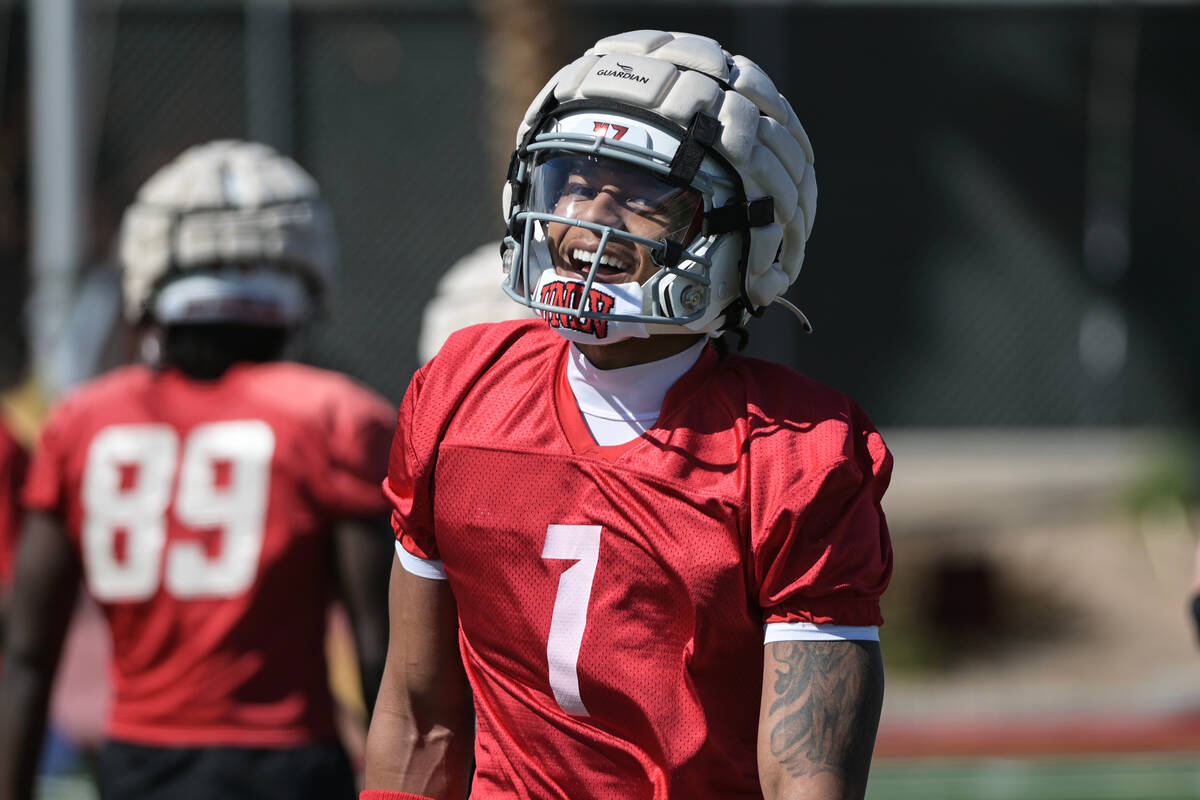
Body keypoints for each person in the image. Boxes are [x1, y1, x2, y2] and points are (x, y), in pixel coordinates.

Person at [363, 29, 893, 800]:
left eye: (642, 193)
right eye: (574, 179)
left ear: (744, 232)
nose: (587, 222)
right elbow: (418, 720)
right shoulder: (459, 389)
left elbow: (807, 775)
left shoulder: (795, 452)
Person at [0, 140, 395, 800]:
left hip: (139, 767)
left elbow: (27, 652)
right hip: (288, 764)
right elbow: (379, 647)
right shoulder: (336, 416)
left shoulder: (82, 421)